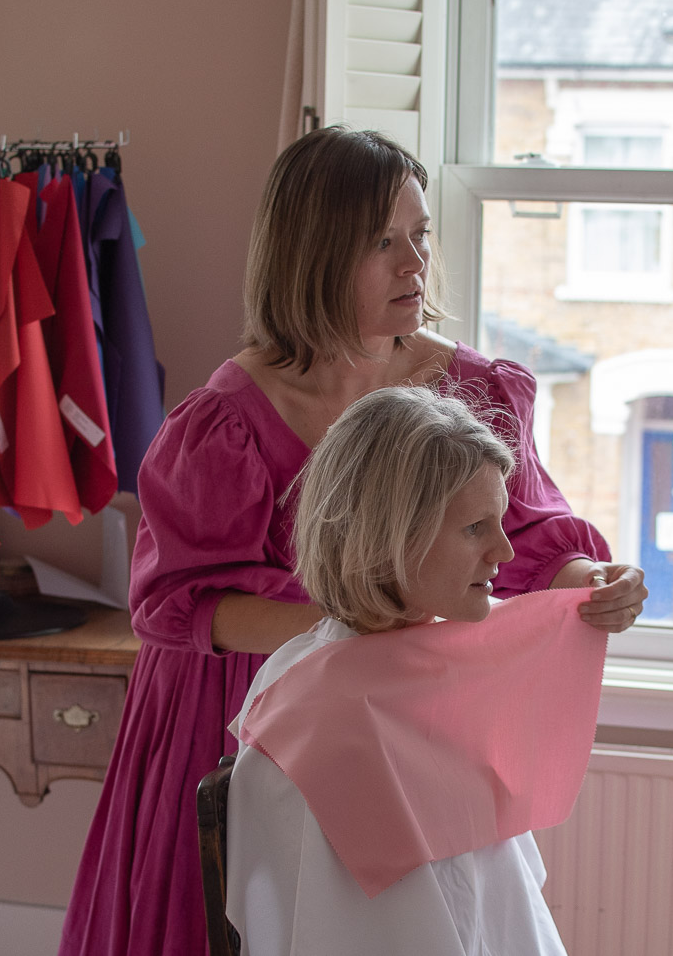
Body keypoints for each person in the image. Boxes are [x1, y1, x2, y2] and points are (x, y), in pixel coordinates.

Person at [58, 126, 647, 956]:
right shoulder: (225, 425)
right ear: (316, 256)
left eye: (421, 236)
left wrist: (594, 579)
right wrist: (355, 626)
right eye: (383, 243)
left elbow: (531, 538)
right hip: (236, 710)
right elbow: (180, 605)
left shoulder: (474, 391)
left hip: (398, 713)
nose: (415, 265)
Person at [226, 384, 608, 955]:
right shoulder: (329, 719)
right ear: (391, 538)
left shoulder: (437, 659)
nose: (504, 553)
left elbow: (495, 900)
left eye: (499, 523)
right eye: (475, 528)